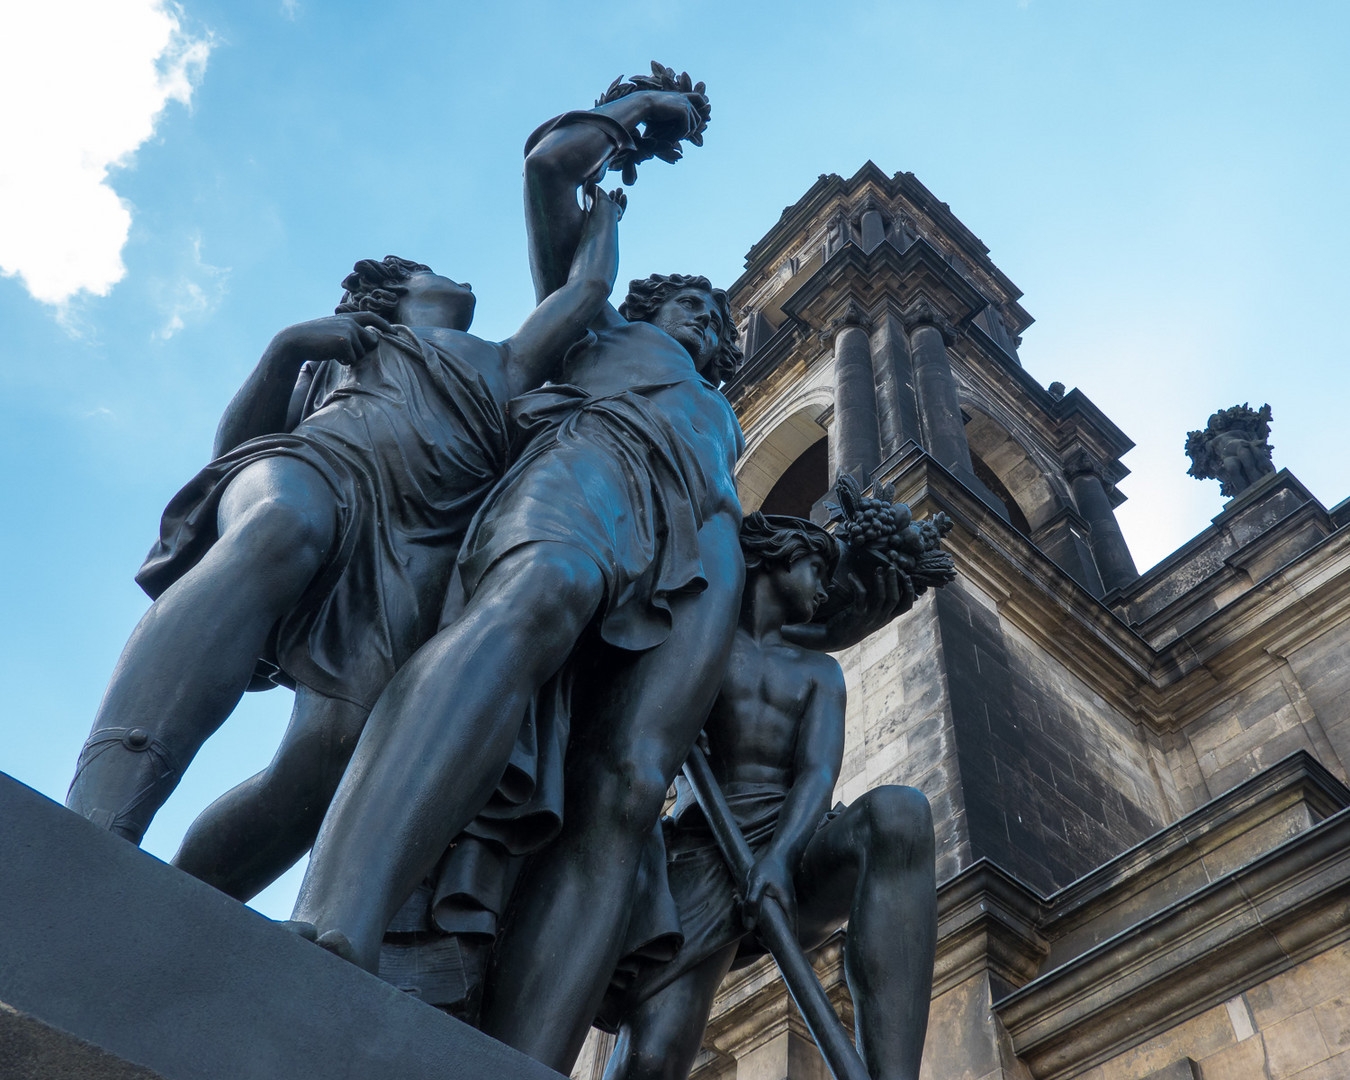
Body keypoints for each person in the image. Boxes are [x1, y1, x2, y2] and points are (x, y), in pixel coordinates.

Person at [65, 189, 624, 867]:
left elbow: (587, 286)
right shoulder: (350, 349)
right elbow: (235, 453)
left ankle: (187, 904)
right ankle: (96, 821)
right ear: (393, 289)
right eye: (435, 273)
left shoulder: (509, 361)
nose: (461, 280)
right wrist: (285, 351)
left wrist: (604, 215)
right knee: (277, 527)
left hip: (414, 544)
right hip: (319, 467)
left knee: (340, 744)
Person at [600, 513, 937, 1080]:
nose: (824, 589)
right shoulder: (695, 639)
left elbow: (816, 772)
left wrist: (781, 855)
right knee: (653, 1058)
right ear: (774, 559)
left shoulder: (819, 672)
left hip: (795, 840)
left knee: (899, 813)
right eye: (815, 569)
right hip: (704, 847)